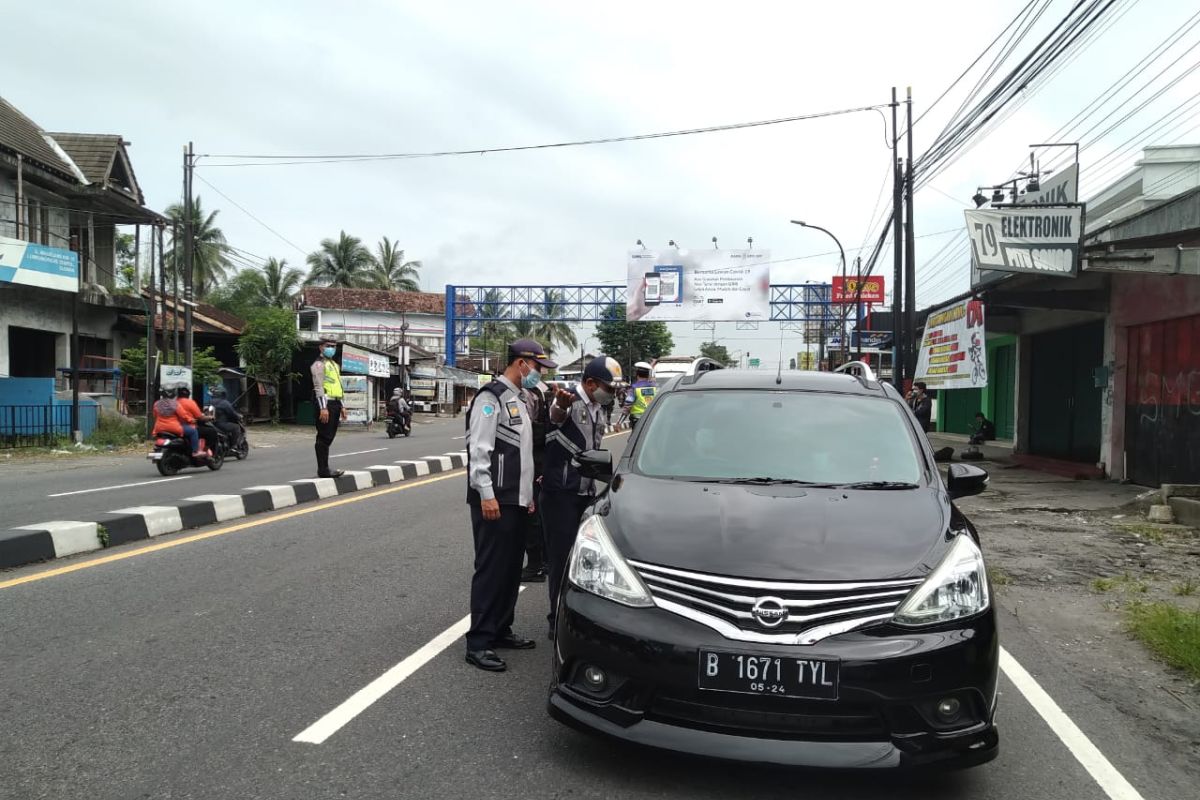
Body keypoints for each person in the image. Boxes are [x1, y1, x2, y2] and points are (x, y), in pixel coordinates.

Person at [464, 338, 557, 672]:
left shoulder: (520, 399)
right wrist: (486, 494)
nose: (538, 374)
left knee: (509, 571)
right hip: (495, 499)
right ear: (522, 364)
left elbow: (524, 456)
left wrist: (528, 498)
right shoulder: (491, 398)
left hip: (516, 500)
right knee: (491, 570)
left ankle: (501, 630)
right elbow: (480, 450)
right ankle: (478, 642)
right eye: (536, 367)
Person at [543, 356, 622, 639]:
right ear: (590, 383)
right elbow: (556, 416)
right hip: (562, 494)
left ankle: (581, 617)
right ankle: (557, 618)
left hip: (586, 494)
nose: (611, 393)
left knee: (586, 561)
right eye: (608, 388)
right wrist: (560, 407)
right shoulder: (568, 400)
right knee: (561, 560)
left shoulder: (599, 408)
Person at [520, 376, 550, 583]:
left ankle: (535, 565)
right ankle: (544, 562)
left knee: (532, 517)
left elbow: (527, 431)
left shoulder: (528, 394)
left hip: (534, 459)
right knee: (538, 515)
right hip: (541, 459)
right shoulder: (541, 390)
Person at [311, 336, 347, 479]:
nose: (331, 348)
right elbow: (318, 387)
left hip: (336, 403)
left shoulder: (334, 365)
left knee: (330, 436)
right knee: (324, 437)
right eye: (328, 345)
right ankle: (323, 469)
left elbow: (338, 386)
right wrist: (323, 408)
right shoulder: (318, 364)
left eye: (333, 346)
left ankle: (324, 468)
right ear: (321, 347)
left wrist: (342, 405)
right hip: (326, 404)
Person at [152, 388, 201, 457]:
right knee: (193, 431)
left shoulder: (156, 404)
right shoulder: (175, 404)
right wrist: (191, 420)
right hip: (174, 428)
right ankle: (195, 451)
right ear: (174, 395)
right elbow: (183, 416)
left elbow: (155, 415)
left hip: (159, 428)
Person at [176, 386, 217, 457]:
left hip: (173, 426)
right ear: (188, 395)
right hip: (187, 426)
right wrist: (210, 417)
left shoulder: (174, 402)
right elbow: (199, 417)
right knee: (211, 432)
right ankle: (204, 450)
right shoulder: (190, 403)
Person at [626, 361, 657, 428]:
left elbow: (628, 405)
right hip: (651, 418)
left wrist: (619, 422)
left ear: (637, 374)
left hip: (637, 420)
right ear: (648, 375)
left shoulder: (634, 388)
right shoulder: (655, 387)